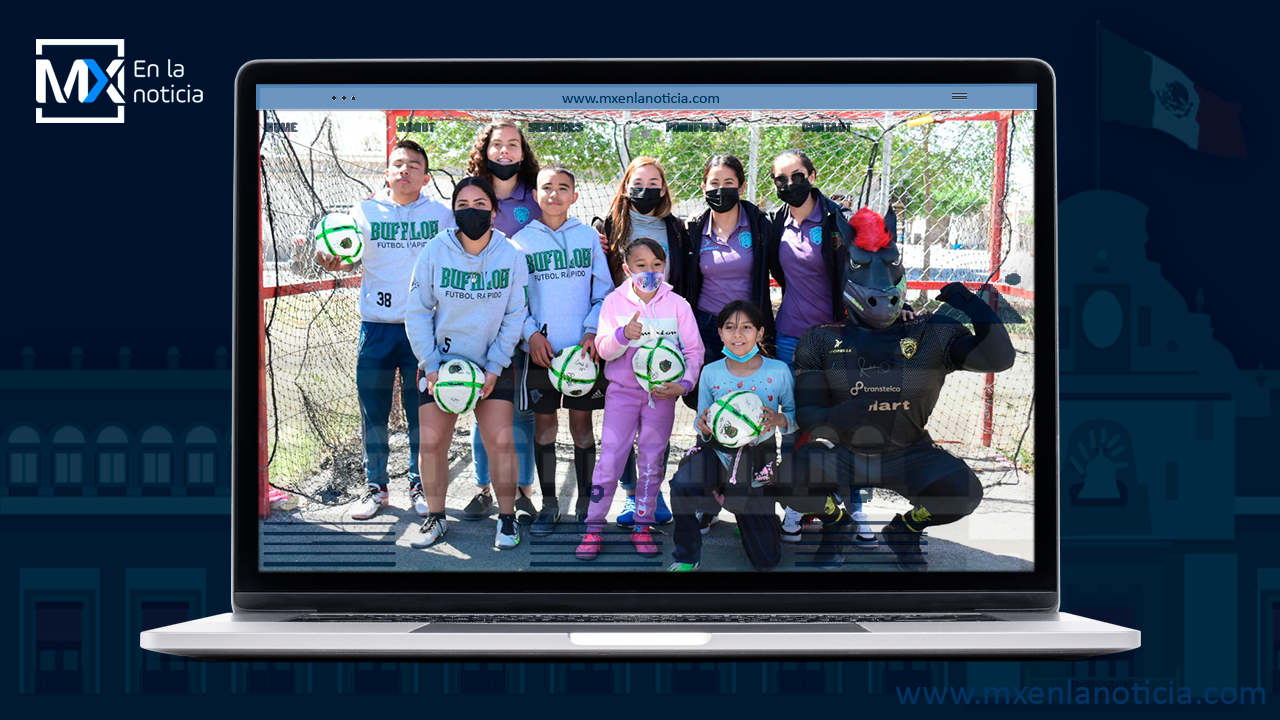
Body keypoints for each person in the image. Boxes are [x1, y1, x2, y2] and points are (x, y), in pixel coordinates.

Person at [773, 207, 1015, 570]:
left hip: (908, 452)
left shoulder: (930, 333)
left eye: (889, 263)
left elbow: (998, 358)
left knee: (962, 492)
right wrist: (839, 416)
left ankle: (905, 530)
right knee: (788, 479)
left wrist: (969, 303)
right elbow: (807, 414)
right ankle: (837, 525)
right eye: (861, 265)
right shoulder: (822, 339)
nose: (880, 284)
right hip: (846, 451)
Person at [324, 139, 454, 522]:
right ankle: (375, 487)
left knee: (422, 415)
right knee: (374, 412)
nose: (405, 170)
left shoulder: (443, 214)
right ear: (386, 172)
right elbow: (342, 259)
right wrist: (330, 260)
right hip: (377, 329)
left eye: (414, 165)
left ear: (426, 177)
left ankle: (418, 483)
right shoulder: (362, 212)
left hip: (423, 333)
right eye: (398, 163)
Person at [404, 176, 529, 550]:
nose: (470, 212)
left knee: (501, 441)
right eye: (462, 205)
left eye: (479, 205)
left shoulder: (512, 255)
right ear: (453, 210)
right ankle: (436, 517)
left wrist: (495, 367)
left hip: (492, 364)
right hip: (441, 364)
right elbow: (417, 310)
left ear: (494, 210)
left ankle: (507, 520)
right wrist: (429, 364)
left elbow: (515, 315)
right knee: (431, 443)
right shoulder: (434, 251)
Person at [766, 148, 875, 545]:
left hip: (839, 339)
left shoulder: (836, 221)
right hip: (791, 338)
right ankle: (797, 507)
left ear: (811, 175)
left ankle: (856, 508)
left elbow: (868, 272)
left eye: (796, 175)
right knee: (794, 424)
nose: (789, 184)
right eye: (780, 179)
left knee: (850, 424)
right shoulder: (775, 222)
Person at [576, 238, 704, 560]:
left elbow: (694, 351)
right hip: (621, 395)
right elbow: (604, 348)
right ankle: (593, 527)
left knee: (651, 461)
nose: (649, 271)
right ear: (626, 269)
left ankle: (643, 526)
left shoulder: (678, 305)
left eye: (656, 265)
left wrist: (684, 384)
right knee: (610, 461)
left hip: (661, 398)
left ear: (665, 268)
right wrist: (623, 335)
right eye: (641, 265)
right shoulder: (614, 302)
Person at [510, 166, 612, 536]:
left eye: (563, 188)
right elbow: (515, 301)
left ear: (575, 196)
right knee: (545, 427)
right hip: (542, 353)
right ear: (535, 195)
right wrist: (531, 334)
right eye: (547, 188)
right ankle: (549, 503)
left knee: (583, 429)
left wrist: (591, 331)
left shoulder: (588, 238)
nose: (554, 194)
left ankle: (586, 501)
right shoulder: (521, 242)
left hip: (583, 356)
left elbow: (604, 292)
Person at [668, 300, 793, 572]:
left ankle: (750, 512)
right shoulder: (710, 372)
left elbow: (794, 420)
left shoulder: (779, 371)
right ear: (721, 333)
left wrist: (780, 418)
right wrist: (702, 424)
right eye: (730, 327)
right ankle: (687, 556)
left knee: (766, 560)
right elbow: (701, 421)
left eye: (746, 327)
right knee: (682, 484)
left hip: (757, 458)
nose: (738, 334)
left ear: (760, 333)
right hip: (715, 452)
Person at [599, 157, 691, 524]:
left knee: (657, 423)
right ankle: (629, 494)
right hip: (624, 331)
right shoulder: (610, 225)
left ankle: (654, 494)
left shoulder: (676, 228)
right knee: (620, 431)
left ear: (664, 189)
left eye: (655, 181)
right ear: (625, 186)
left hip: (662, 332)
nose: (647, 188)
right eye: (639, 181)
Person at [462, 121, 541, 525]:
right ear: (486, 150)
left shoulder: (537, 197)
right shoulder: (473, 196)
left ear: (523, 152)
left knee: (522, 412)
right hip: (483, 320)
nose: (505, 151)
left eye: (514, 144)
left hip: (528, 320)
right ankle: (483, 489)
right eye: (497, 144)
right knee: (483, 404)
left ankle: (525, 492)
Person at [681, 154, 776, 408]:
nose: (720, 189)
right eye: (714, 183)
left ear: (741, 187)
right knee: (709, 403)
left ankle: (752, 450)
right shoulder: (694, 230)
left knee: (750, 400)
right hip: (707, 324)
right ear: (703, 187)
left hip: (748, 328)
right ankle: (705, 448)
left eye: (729, 182)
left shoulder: (760, 226)